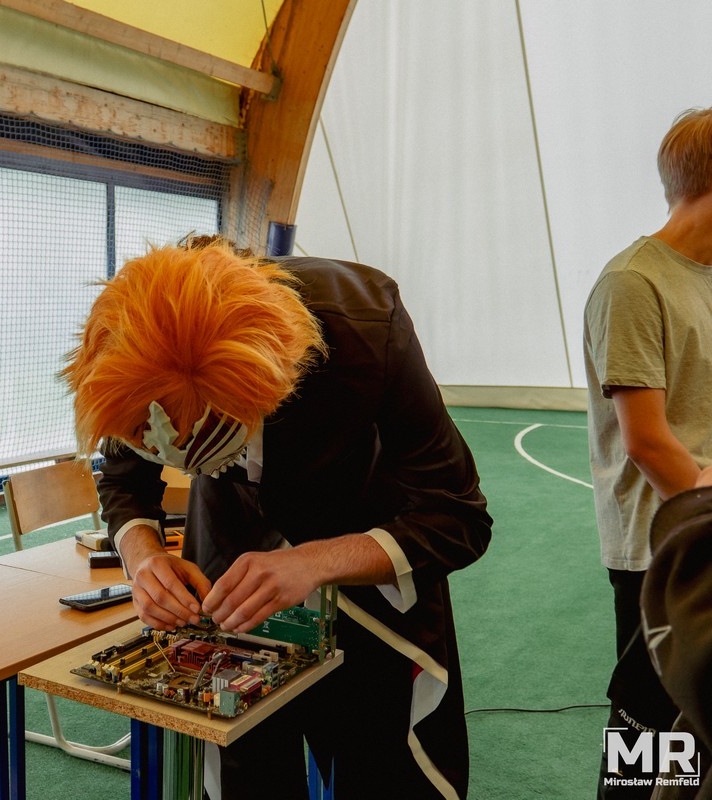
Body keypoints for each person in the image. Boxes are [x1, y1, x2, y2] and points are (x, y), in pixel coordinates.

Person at [61, 236, 492, 799]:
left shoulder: (365, 328)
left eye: (196, 445)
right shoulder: (133, 351)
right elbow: (123, 479)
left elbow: (458, 515)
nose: (173, 463)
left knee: (386, 767)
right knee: (245, 771)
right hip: (228, 591)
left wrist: (315, 562)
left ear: (257, 394)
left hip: (370, 578)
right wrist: (144, 558)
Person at [584, 107, 712, 798]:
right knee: (650, 734)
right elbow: (648, 441)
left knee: (698, 719)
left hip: (699, 531)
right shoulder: (634, 282)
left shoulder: (704, 277)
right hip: (661, 549)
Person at [638, 467, 712, 800]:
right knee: (637, 709)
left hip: (681, 547)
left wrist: (699, 504)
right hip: (650, 551)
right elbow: (640, 444)